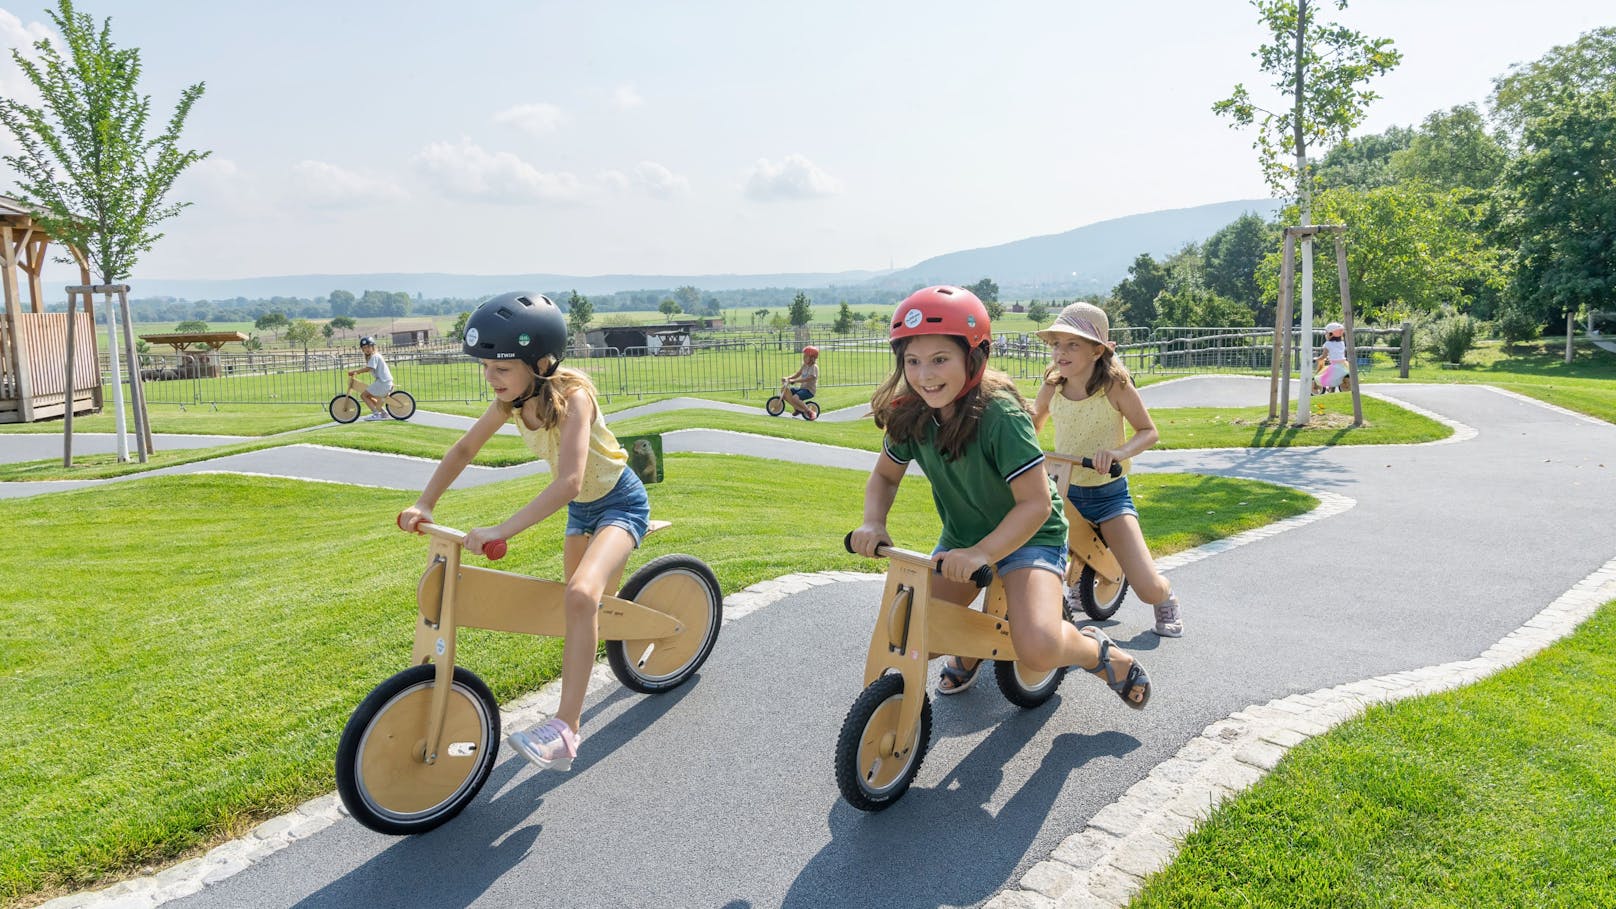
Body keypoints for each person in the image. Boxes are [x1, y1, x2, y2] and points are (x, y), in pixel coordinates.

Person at [849, 286, 1151, 707]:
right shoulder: (910, 412)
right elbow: (884, 476)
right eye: (912, 361)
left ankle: (1096, 653)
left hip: (1031, 535)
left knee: (1040, 647)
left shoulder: (1000, 416)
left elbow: (1036, 504)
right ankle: (974, 645)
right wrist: (873, 521)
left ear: (973, 357)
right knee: (909, 632)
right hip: (965, 536)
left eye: (940, 359)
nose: (924, 375)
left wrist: (981, 554)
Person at [397, 292, 651, 772]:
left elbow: (570, 481)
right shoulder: (513, 403)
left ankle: (566, 732)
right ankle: (594, 658)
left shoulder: (575, 398)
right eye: (486, 368)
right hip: (581, 513)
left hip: (620, 502)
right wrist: (425, 502)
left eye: (501, 369)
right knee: (582, 606)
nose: (490, 379)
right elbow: (464, 450)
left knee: (580, 597)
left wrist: (502, 529)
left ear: (540, 363)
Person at [1032, 302, 1184, 637]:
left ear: (1097, 350)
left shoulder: (1114, 386)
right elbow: (1033, 426)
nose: (1061, 352)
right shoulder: (1052, 386)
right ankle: (1053, 609)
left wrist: (1117, 452)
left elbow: (1148, 431)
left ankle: (1165, 595)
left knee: (1146, 587)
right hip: (1062, 492)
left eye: (1073, 344)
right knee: (1031, 554)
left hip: (1108, 497)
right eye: (1057, 344)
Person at [348, 336, 393, 420]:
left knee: (364, 396)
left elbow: (369, 368)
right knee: (368, 396)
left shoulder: (375, 356)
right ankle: (383, 413)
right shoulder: (375, 356)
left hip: (383, 382)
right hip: (385, 382)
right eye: (364, 348)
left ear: (373, 347)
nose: (367, 349)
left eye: (368, 347)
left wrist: (355, 371)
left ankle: (376, 414)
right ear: (362, 350)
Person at [778, 346, 819, 418]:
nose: (804, 358)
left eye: (806, 356)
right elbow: (798, 374)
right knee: (785, 392)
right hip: (802, 388)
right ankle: (797, 409)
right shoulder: (804, 365)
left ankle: (809, 412)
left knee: (795, 398)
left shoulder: (814, 367)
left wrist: (795, 381)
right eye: (804, 356)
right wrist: (788, 378)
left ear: (812, 358)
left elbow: (809, 378)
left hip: (809, 390)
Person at [1314, 321, 1350, 393]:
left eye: (1326, 333)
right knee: (1334, 377)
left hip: (1335, 365)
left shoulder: (1328, 344)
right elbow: (1340, 354)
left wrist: (1317, 359)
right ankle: (1332, 390)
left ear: (1331, 334)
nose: (1326, 335)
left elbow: (1323, 356)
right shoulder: (1342, 343)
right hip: (1344, 364)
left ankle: (1328, 389)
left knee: (1324, 377)